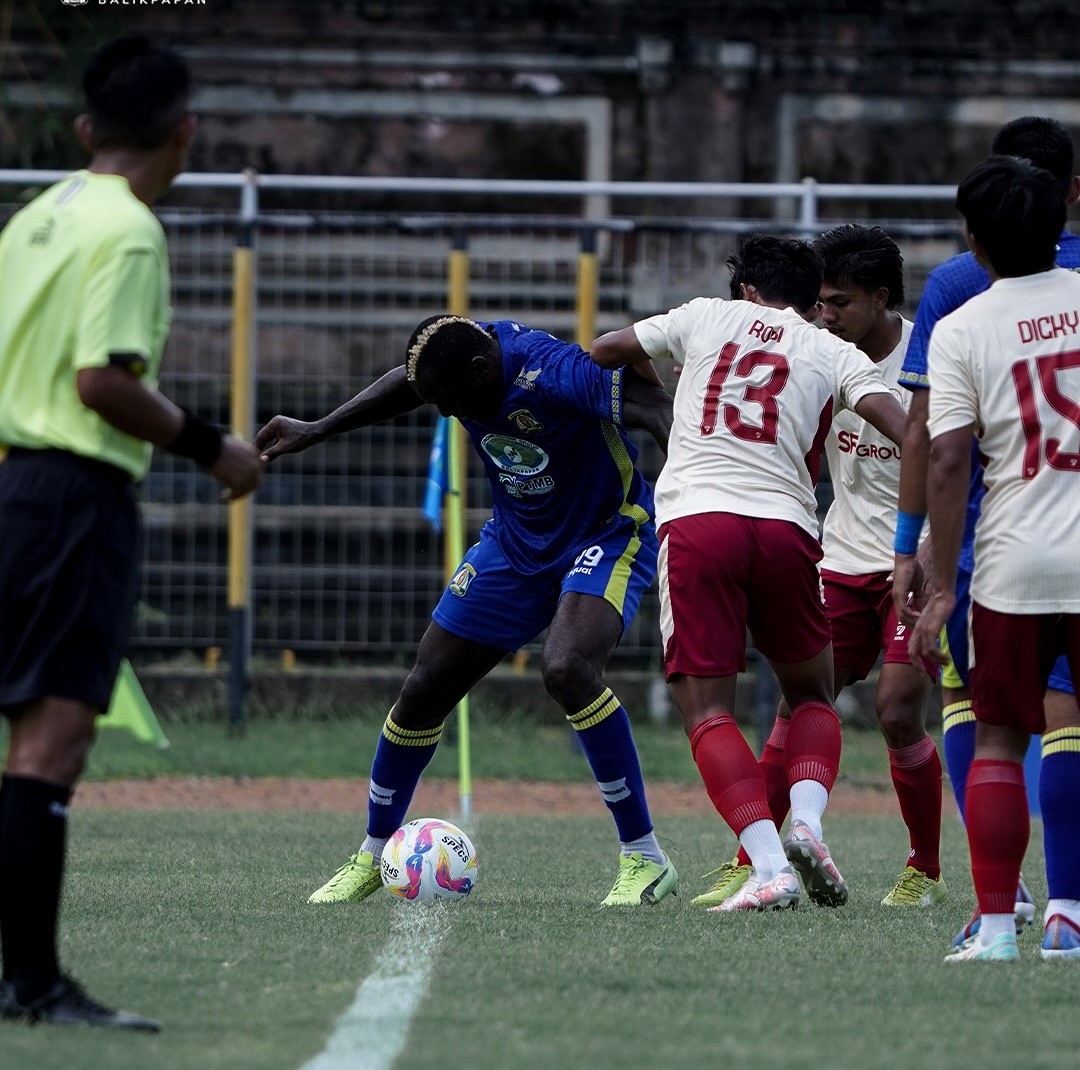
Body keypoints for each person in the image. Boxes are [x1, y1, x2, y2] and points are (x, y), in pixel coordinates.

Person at [0, 37, 263, 1031]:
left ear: (84, 129)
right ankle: (34, 984)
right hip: (73, 496)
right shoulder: (129, 229)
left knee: (22, 738)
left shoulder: (37, 217)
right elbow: (101, 381)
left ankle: (20, 976)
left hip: (13, 483)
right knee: (50, 743)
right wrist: (215, 447)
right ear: (184, 132)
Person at [255, 314, 680, 908]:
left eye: (452, 401)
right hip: (514, 543)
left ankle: (645, 858)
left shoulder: (554, 373)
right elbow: (410, 383)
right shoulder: (460, 357)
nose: (450, 414)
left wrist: (694, 496)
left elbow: (658, 410)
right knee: (426, 686)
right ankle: (374, 854)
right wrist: (318, 428)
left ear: (482, 372)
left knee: (567, 671)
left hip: (606, 535)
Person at [590, 234, 907, 911]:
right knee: (813, 696)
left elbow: (606, 349)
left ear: (748, 291)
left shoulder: (707, 314)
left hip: (702, 519)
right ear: (809, 296)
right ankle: (809, 826)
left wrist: (674, 389)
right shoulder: (832, 349)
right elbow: (899, 422)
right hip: (788, 527)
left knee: (706, 707)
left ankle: (769, 866)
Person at [691, 225, 943, 911]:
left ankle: (924, 868)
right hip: (840, 559)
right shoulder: (813, 357)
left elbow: (955, 460)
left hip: (915, 564)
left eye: (838, 303)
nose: (823, 315)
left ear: (882, 299)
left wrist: (929, 549)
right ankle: (755, 858)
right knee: (801, 705)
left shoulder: (928, 362)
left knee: (896, 711)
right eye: (819, 303)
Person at [892, 115, 1080, 946]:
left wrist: (939, 577)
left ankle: (998, 928)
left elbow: (945, 460)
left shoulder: (965, 321)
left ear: (974, 239)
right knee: (1072, 722)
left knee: (999, 737)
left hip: (1011, 560)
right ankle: (1072, 917)